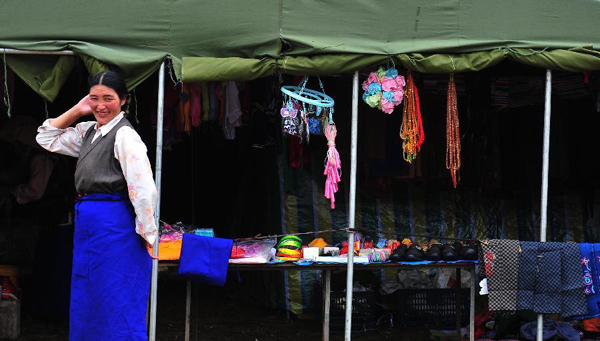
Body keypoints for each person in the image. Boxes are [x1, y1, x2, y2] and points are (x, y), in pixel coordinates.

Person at [36, 71, 158, 341]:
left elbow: (143, 189)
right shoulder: (88, 131)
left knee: (115, 293)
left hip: (115, 226)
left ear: (123, 101)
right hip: (90, 223)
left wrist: (148, 233)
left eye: (108, 98)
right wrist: (80, 109)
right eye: (95, 98)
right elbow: (46, 138)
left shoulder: (125, 136)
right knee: (89, 291)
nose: (101, 105)